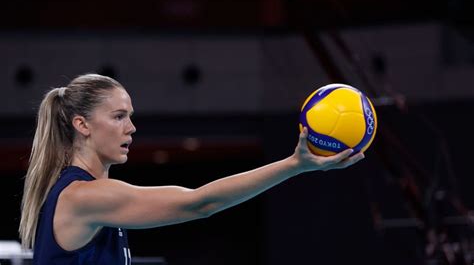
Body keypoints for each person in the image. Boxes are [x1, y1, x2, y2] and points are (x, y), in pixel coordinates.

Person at [19, 73, 365, 264]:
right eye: (118, 116)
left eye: (131, 116)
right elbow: (200, 203)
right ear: (82, 125)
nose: (131, 128)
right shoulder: (83, 196)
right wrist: (294, 165)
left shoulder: (93, 199)